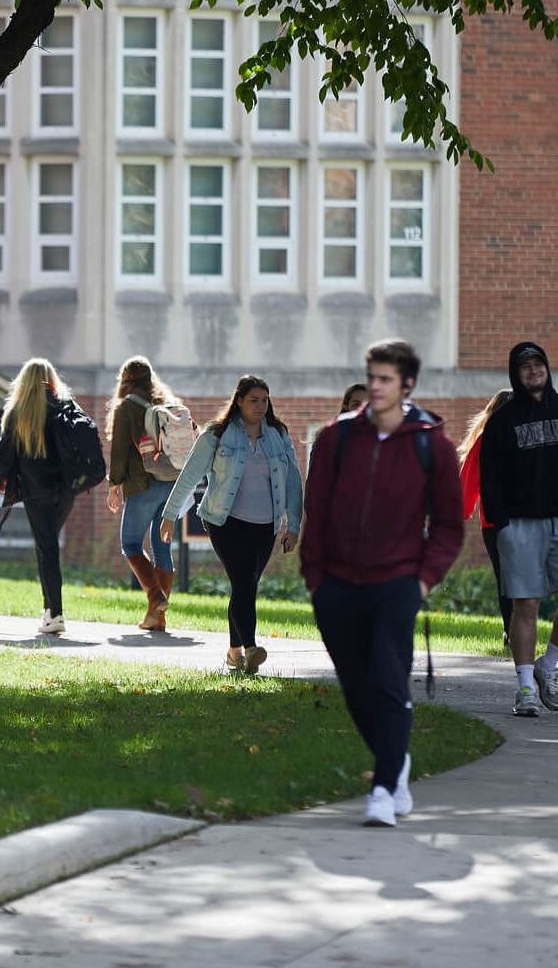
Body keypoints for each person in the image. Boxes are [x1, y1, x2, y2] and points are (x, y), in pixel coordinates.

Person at [301, 339, 463, 827]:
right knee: (356, 687)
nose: (375, 386)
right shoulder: (338, 438)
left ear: (407, 384)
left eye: (386, 379)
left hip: (397, 582)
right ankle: (398, 760)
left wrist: (422, 580)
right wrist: (315, 578)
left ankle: (383, 788)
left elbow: (451, 526)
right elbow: (318, 510)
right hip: (336, 586)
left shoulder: (430, 443)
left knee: (389, 682)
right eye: (372, 376)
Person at [479, 341, 558, 718]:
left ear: (547, 368)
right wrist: (503, 525)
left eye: (538, 364)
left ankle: (547, 666)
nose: (533, 371)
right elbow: (491, 478)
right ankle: (524, 688)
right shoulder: (502, 423)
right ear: (515, 374)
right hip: (519, 525)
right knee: (526, 605)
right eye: (525, 367)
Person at [158, 374, 303, 673]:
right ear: (238, 400)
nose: (260, 406)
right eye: (254, 400)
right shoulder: (217, 434)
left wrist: (293, 526)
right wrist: (170, 515)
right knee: (242, 581)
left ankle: (233, 651)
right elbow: (190, 476)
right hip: (224, 522)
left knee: (246, 586)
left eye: (265, 400)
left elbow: (292, 482)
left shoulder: (278, 435)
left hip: (266, 524)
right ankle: (250, 648)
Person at [0, 359, 81, 635]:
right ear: (50, 379)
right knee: (46, 545)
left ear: (23, 382)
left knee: (47, 549)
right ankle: (50, 610)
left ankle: (56, 613)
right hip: (67, 490)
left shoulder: (19, 413)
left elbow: (2, 458)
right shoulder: (66, 407)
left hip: (38, 492)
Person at [105, 356, 183, 632]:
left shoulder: (126, 407)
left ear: (125, 380)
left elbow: (119, 453)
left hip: (143, 485)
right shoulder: (164, 403)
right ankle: (156, 618)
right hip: (172, 483)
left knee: (130, 543)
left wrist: (114, 485)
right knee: (162, 547)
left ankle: (155, 595)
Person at [457, 389, 513, 636]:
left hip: (528, 521)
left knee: (517, 580)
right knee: (507, 579)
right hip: (495, 524)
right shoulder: (485, 442)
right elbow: (469, 482)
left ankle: (516, 631)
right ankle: (511, 632)